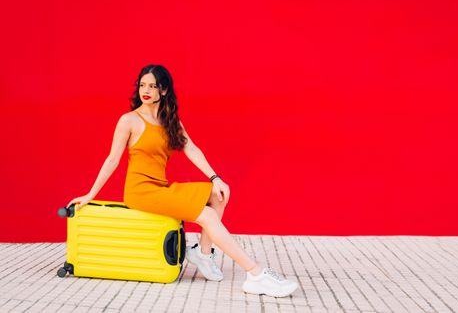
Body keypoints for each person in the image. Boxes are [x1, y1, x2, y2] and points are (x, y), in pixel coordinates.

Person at [66, 64, 299, 298]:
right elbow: (112, 159)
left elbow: (192, 149)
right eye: (142, 85)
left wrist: (215, 178)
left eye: (152, 86)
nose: (145, 91)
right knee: (207, 216)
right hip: (141, 192)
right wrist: (90, 194)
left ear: (164, 90)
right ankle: (255, 273)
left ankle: (204, 254)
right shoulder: (129, 120)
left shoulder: (170, 121)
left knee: (216, 194)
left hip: (161, 187)